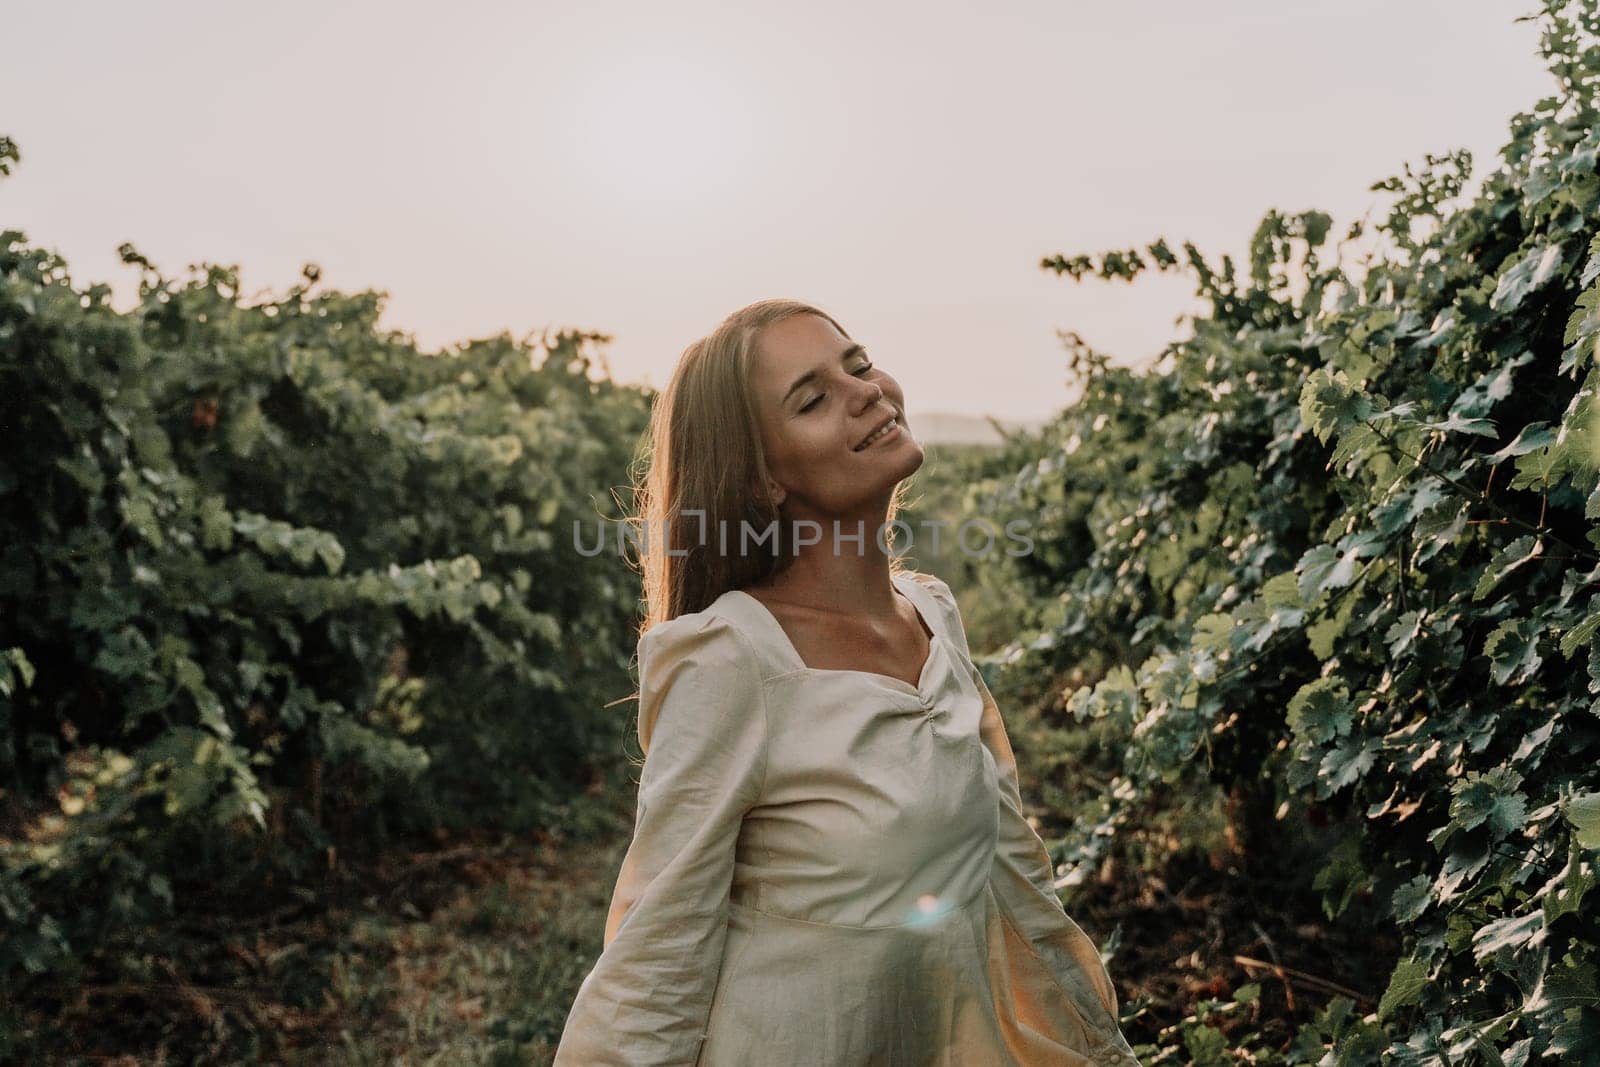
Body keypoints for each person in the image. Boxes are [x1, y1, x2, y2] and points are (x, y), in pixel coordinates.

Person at [552, 299, 1141, 1066]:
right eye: (813, 398)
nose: (864, 390)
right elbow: (656, 953)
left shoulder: (932, 615)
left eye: (856, 364)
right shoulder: (731, 657)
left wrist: (1096, 1043)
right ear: (763, 477)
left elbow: (1011, 874)